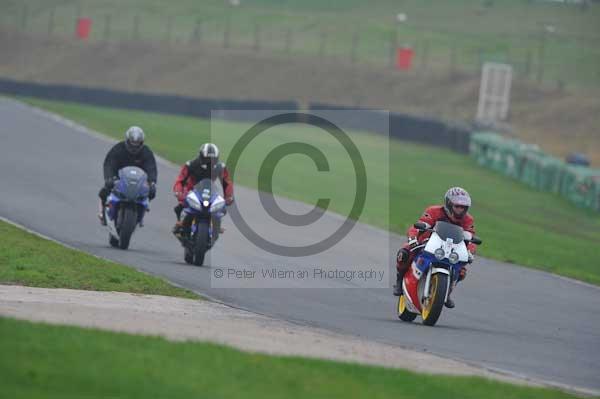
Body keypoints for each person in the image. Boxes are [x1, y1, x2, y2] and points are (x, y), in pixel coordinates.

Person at [393, 187, 477, 308]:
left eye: (463, 207)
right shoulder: (434, 211)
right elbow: (419, 225)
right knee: (404, 253)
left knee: (462, 271)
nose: (460, 210)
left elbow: (470, 237)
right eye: (457, 206)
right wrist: (413, 238)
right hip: (427, 243)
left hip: (453, 250)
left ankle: (446, 293)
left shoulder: (468, 219)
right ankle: (399, 281)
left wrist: (470, 252)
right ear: (449, 203)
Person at [98, 126, 157, 225]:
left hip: (138, 182)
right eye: (132, 144)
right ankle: (103, 212)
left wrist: (152, 182)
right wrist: (109, 178)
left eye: (137, 144)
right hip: (119, 179)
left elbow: (151, 168)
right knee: (104, 190)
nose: (134, 147)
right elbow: (109, 164)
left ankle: (142, 210)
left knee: (152, 192)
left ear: (141, 143)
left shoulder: (146, 152)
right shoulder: (118, 149)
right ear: (127, 140)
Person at [172, 143, 234, 237]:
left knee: (222, 208)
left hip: (210, 190)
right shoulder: (191, 164)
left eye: (212, 160)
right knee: (181, 205)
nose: (209, 162)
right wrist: (178, 191)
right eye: (207, 159)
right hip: (191, 189)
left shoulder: (220, 167)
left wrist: (228, 196)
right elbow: (180, 180)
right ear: (201, 156)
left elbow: (227, 183)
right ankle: (180, 223)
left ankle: (216, 226)